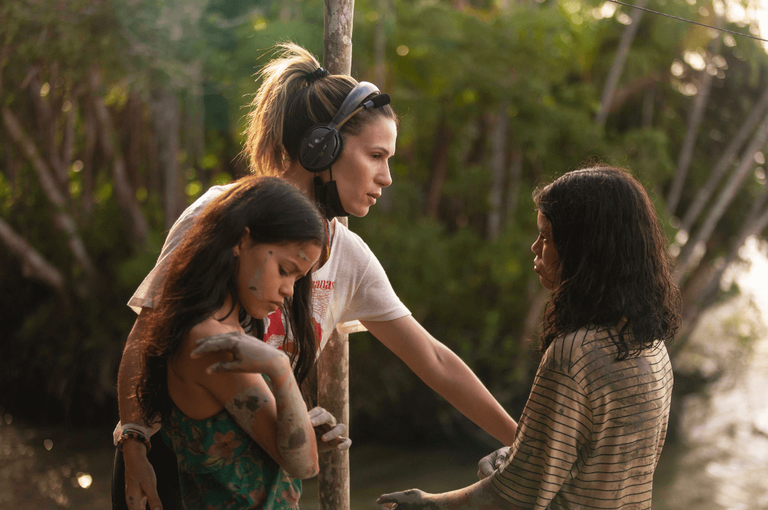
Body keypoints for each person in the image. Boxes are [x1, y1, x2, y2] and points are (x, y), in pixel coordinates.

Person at [114, 43, 519, 510]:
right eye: (375, 155)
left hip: (260, 478)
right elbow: (146, 335)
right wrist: (133, 444)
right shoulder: (223, 216)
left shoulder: (348, 255)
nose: (386, 177)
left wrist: (525, 444)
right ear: (321, 147)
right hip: (171, 472)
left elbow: (434, 359)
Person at [378, 166, 682, 510]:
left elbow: (513, 500)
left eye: (547, 237)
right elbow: (593, 469)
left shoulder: (575, 354)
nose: (535, 247)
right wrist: (518, 457)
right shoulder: (652, 349)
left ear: (584, 248)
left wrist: (428, 502)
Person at [129, 176, 332, 509]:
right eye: (284, 270)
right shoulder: (213, 343)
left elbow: (261, 443)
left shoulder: (227, 329)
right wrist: (279, 367)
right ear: (241, 240)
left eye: (298, 278)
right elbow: (304, 465)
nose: (289, 290)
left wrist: (304, 429)